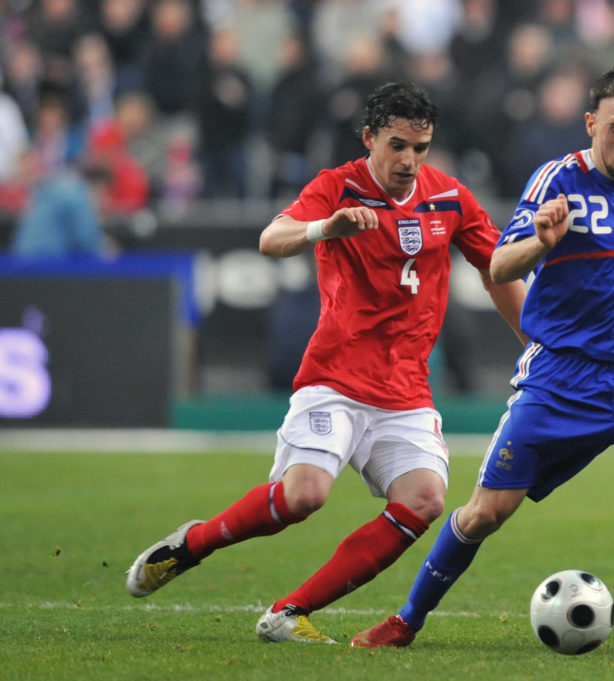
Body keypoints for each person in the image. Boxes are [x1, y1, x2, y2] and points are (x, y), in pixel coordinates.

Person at [352, 66, 614, 649]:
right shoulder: (556, 182)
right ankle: (407, 619)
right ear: (590, 124)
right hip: (562, 380)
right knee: (483, 514)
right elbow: (498, 267)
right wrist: (543, 242)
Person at [125, 81, 528, 643]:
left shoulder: (451, 200)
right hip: (335, 380)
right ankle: (193, 544)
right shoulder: (337, 187)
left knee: (426, 500)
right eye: (396, 146)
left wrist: (537, 339)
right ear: (369, 139)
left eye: (420, 147)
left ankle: (288, 613)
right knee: (303, 496)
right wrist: (327, 227)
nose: (409, 160)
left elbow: (497, 268)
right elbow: (272, 238)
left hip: (407, 391)